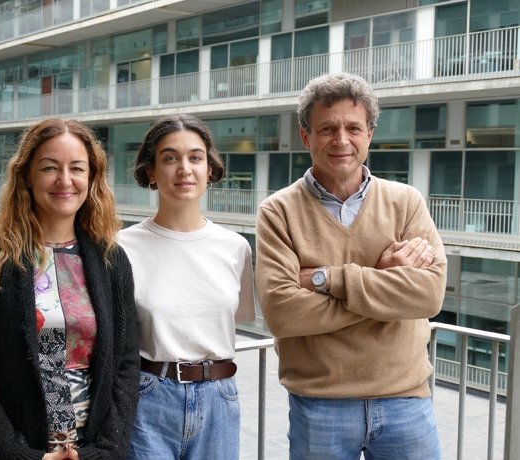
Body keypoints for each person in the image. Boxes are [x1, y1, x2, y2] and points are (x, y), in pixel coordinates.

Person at [255, 73, 448, 459]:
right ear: (306, 136)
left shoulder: (406, 203)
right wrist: (387, 292)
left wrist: (330, 279)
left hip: (405, 402)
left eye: (353, 127)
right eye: (327, 128)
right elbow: (284, 314)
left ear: (369, 134)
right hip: (320, 405)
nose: (341, 140)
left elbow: (428, 295)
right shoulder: (278, 211)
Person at [0, 118, 140, 459]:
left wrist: (106, 451)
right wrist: (17, 454)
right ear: (26, 176)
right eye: (50, 168)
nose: (65, 180)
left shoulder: (111, 259)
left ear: (92, 177)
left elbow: (126, 365)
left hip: (88, 451)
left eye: (77, 168)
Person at [118, 114, 256, 460]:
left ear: (210, 168)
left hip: (220, 400)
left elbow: (236, 320)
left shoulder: (236, 247)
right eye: (170, 158)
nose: (184, 168)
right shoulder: (121, 246)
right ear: (151, 171)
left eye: (195, 157)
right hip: (148, 398)